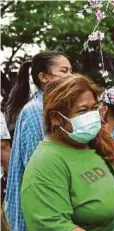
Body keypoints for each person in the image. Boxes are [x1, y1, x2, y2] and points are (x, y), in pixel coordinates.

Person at [20, 74, 114, 231]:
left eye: (93, 108)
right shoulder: (46, 163)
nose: (92, 116)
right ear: (56, 118)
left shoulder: (99, 144)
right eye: (83, 110)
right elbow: (51, 224)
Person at [5, 51, 72, 231]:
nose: (70, 77)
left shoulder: (55, 109)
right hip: (41, 207)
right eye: (64, 71)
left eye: (71, 71)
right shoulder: (36, 111)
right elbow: (38, 169)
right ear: (44, 77)